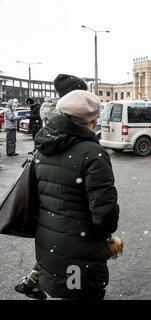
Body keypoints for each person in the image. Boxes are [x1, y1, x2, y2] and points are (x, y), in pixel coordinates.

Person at [32, 90, 120, 300]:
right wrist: (109, 234)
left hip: (48, 242)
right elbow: (104, 213)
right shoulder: (92, 153)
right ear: (90, 121)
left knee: (65, 293)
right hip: (82, 248)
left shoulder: (43, 147)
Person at [14, 74, 89, 300]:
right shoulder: (65, 115)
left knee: (55, 237)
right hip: (62, 176)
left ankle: (33, 282)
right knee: (66, 239)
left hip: (47, 175)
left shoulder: (51, 112)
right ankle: (69, 289)